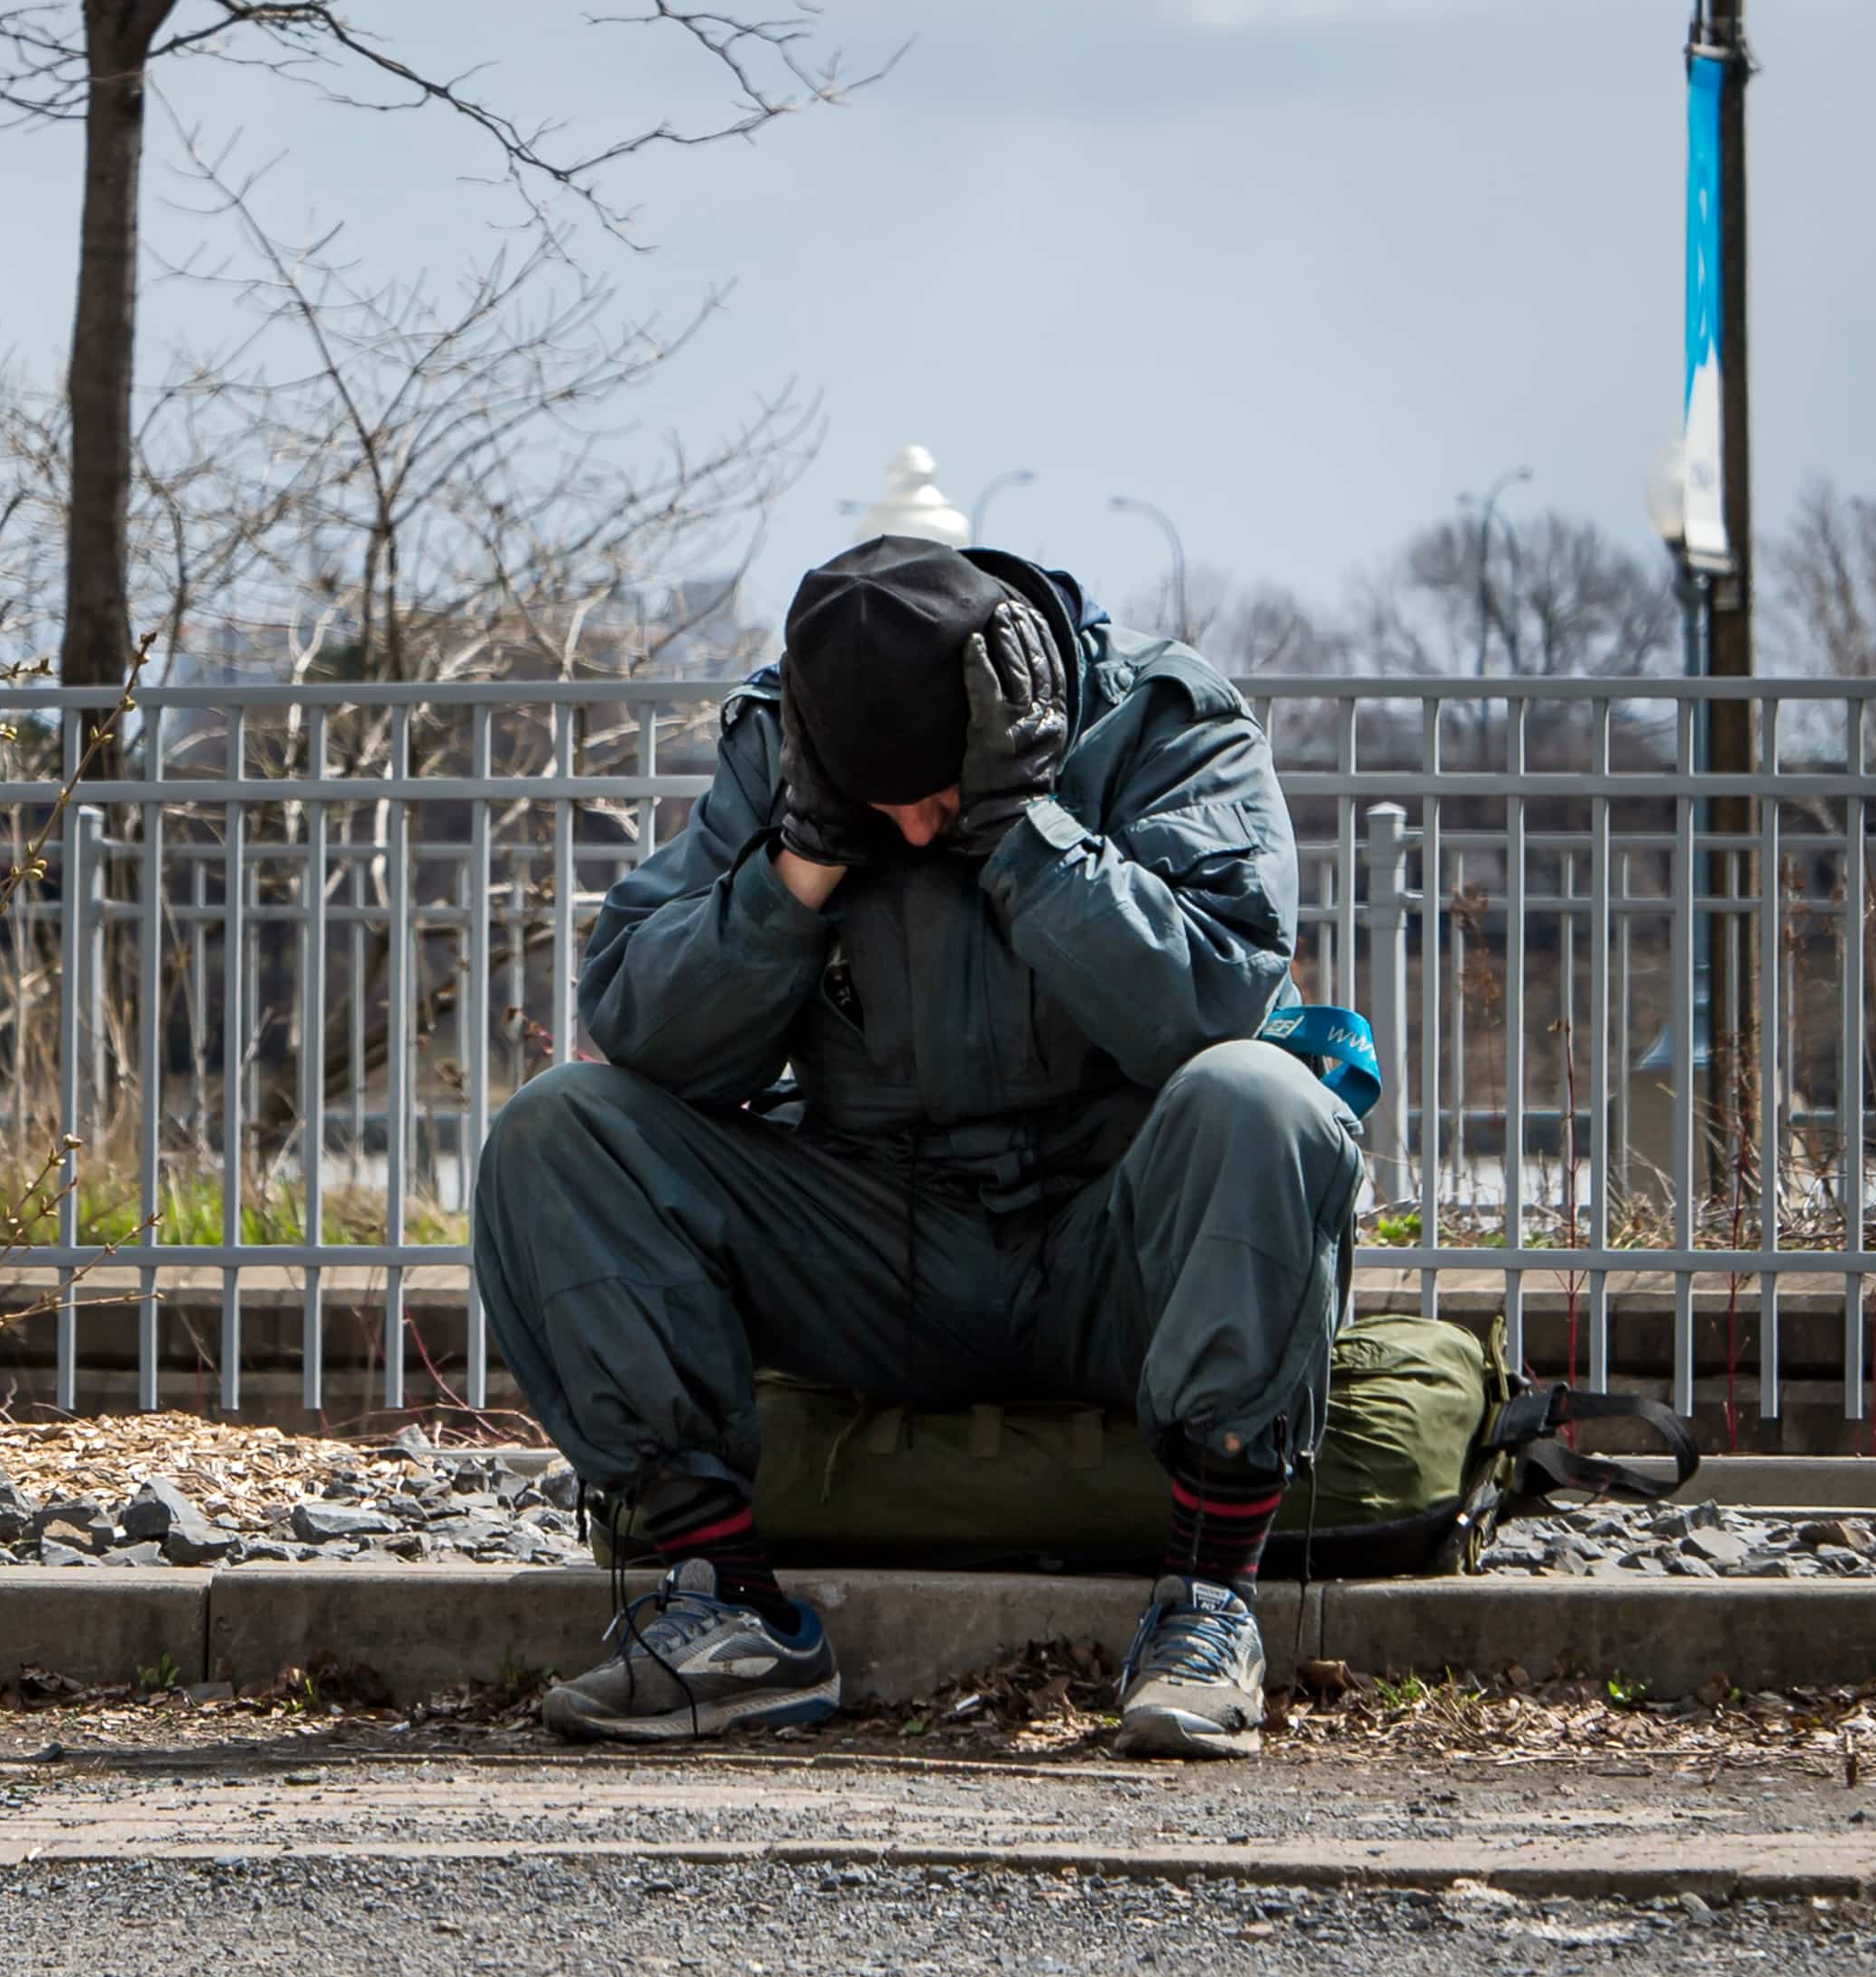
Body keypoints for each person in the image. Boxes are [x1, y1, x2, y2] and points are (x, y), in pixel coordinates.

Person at [472, 535, 1362, 1759]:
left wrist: (1023, 835)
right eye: (875, 795)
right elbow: (644, 1029)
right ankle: (723, 1615)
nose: (909, 819)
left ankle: (1205, 1609)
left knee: (1263, 1096)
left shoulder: (1162, 719)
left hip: (1114, 1251)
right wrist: (797, 867)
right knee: (557, 1129)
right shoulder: (780, 746)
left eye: (931, 785)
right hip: (873, 1252)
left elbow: (1211, 1002)